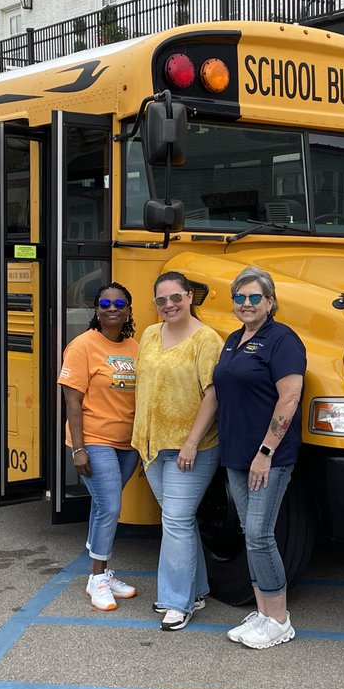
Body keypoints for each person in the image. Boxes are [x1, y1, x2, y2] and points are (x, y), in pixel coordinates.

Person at [182, 266, 306, 649]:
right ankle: (262, 611)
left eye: (255, 297)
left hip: (267, 456)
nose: (246, 303)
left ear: (270, 302)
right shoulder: (235, 340)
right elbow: (218, 394)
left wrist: (266, 452)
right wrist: (194, 440)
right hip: (236, 454)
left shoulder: (282, 340)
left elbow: (289, 397)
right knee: (250, 535)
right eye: (240, 297)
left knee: (259, 534)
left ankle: (280, 619)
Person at [132, 270, 222, 631]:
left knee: (175, 521)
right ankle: (196, 589)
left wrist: (190, 443)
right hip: (153, 448)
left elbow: (213, 394)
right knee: (179, 521)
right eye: (161, 300)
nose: (168, 305)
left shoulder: (206, 340)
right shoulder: (151, 334)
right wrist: (141, 441)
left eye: (175, 298)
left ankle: (176, 602)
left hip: (193, 449)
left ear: (189, 298)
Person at [58, 283, 140, 611]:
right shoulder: (82, 346)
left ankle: (103, 570)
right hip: (94, 440)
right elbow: (72, 402)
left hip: (128, 444)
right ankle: (96, 578)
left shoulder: (137, 346)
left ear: (129, 310)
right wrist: (79, 449)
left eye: (119, 302)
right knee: (110, 507)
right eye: (105, 302)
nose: (112, 307)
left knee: (103, 505)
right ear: (96, 309)